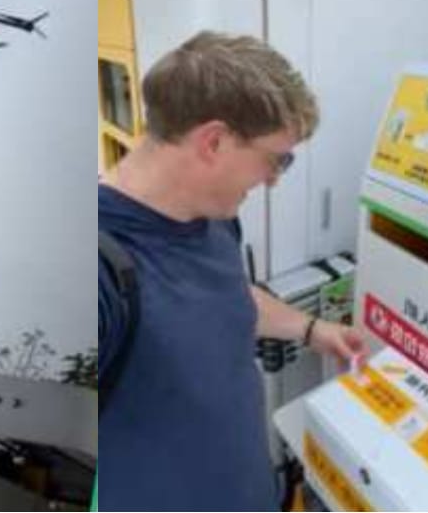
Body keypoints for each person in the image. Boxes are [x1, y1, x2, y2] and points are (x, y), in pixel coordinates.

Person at [95, 31, 369, 511]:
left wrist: (311, 329)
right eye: (276, 159)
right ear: (214, 141)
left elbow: (227, 293)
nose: (274, 180)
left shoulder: (214, 217)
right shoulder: (98, 270)